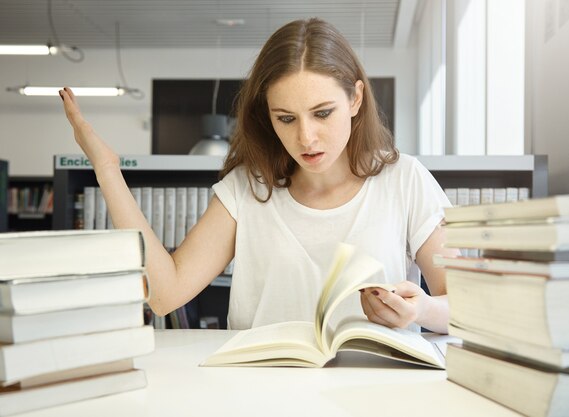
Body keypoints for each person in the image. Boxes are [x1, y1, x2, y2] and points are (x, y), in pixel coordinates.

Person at [58, 18, 459, 334]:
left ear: (355, 99)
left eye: (322, 113)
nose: (305, 137)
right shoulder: (248, 189)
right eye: (285, 118)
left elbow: (464, 305)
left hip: (374, 392)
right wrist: (107, 170)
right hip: (260, 393)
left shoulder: (404, 178)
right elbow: (165, 296)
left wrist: (420, 309)